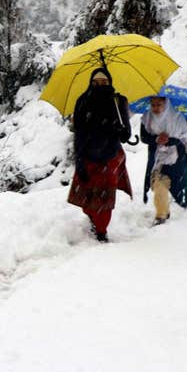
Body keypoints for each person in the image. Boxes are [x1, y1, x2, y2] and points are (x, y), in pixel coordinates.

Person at [65, 68, 133, 242]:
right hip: (88, 154)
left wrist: (121, 131)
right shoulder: (83, 101)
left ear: (109, 82)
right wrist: (78, 159)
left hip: (110, 155)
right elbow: (79, 133)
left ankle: (102, 231)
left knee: (105, 199)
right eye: (97, 82)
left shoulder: (118, 102)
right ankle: (93, 219)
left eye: (104, 82)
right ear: (91, 83)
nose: (101, 85)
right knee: (88, 197)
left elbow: (126, 133)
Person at [140, 97, 187, 224]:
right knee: (157, 184)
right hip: (156, 157)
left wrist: (169, 140)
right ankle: (162, 213)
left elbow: (184, 138)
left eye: (159, 105)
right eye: (153, 105)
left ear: (166, 104)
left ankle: (163, 213)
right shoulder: (147, 118)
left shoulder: (177, 118)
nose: (155, 108)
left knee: (172, 184)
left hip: (174, 158)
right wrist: (156, 139)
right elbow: (144, 137)